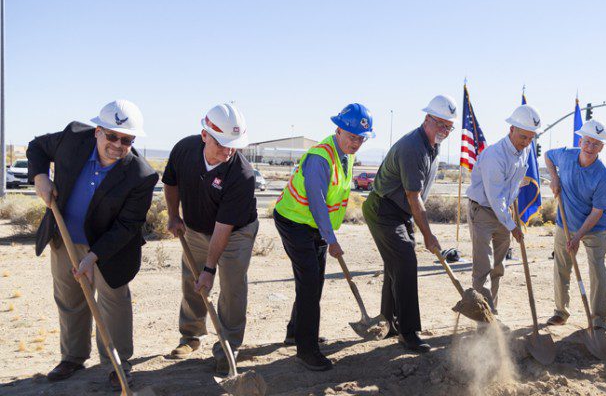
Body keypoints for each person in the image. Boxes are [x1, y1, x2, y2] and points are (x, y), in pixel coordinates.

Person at [27, 100, 158, 389]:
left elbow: (128, 225)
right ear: (97, 131)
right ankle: (73, 357)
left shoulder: (141, 175)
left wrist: (93, 257)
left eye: (126, 139)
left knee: (114, 303)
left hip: (111, 248)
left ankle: (117, 363)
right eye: (111, 135)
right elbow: (36, 147)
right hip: (65, 238)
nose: (117, 144)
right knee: (70, 299)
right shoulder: (73, 138)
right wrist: (39, 177)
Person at [273, 103, 374, 371]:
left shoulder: (346, 154)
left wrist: (326, 234)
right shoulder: (320, 158)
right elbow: (317, 203)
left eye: (361, 139)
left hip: (313, 226)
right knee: (310, 283)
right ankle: (307, 350)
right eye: (352, 137)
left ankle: (295, 331)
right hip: (294, 222)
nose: (356, 143)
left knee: (312, 280)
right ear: (338, 130)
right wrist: (331, 239)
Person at [163, 102, 258, 374]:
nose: (228, 151)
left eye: (234, 145)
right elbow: (171, 182)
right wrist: (172, 215)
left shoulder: (241, 173)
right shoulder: (184, 149)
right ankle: (191, 335)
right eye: (222, 144)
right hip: (194, 227)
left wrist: (209, 268)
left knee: (231, 285)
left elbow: (223, 227)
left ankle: (228, 345)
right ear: (204, 134)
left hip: (236, 232)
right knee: (191, 280)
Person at [363, 94, 456, 353]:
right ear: (427, 119)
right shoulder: (413, 147)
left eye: (449, 127)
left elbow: (416, 197)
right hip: (382, 209)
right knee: (405, 261)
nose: (444, 131)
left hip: (401, 212)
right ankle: (408, 331)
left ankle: (389, 321)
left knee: (397, 263)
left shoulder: (432, 146)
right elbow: (413, 196)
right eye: (440, 125)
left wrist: (420, 227)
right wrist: (428, 234)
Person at [465, 104, 540, 314]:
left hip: (503, 213)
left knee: (498, 268)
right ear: (511, 130)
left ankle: (491, 311)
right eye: (523, 137)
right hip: (483, 211)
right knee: (483, 268)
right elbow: (495, 196)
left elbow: (512, 184)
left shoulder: (524, 152)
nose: (526, 143)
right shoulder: (494, 155)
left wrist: (516, 193)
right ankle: (483, 319)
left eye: (530, 138)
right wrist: (513, 226)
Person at [544, 120, 606, 329]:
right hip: (565, 223)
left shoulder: (604, 175)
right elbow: (547, 155)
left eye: (596, 144)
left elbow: (597, 212)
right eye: (587, 142)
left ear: (602, 147)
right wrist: (554, 177)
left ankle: (598, 319)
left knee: (597, 270)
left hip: (594, 229)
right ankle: (560, 312)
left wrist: (577, 237)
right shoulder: (566, 155)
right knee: (561, 267)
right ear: (580, 140)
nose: (590, 147)